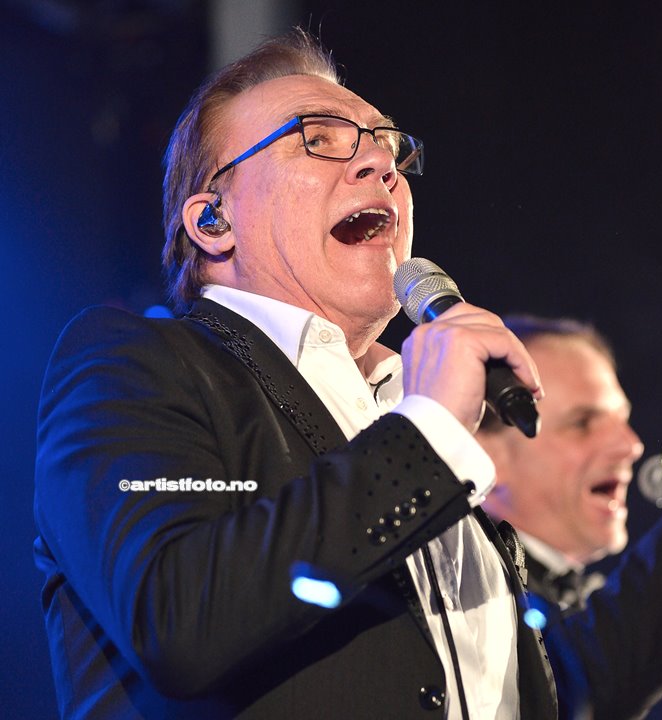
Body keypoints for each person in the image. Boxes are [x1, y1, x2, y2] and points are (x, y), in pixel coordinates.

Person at [33, 29, 554, 720]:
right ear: (213, 220)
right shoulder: (132, 364)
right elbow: (176, 617)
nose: (381, 163)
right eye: (319, 138)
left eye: (388, 144)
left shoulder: (406, 411)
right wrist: (427, 436)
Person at [476, 315, 662, 718]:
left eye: (622, 420)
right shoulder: (468, 597)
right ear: (483, 454)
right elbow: (564, 687)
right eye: (582, 423)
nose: (631, 445)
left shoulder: (579, 594)